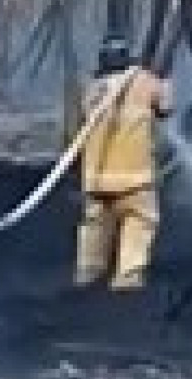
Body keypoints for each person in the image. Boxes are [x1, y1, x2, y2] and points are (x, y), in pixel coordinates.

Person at [75, 36, 174, 291]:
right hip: (135, 178)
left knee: (95, 225)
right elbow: (166, 108)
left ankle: (88, 271)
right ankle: (127, 277)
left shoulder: (92, 88)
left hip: (97, 177)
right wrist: (166, 84)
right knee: (139, 221)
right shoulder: (145, 83)